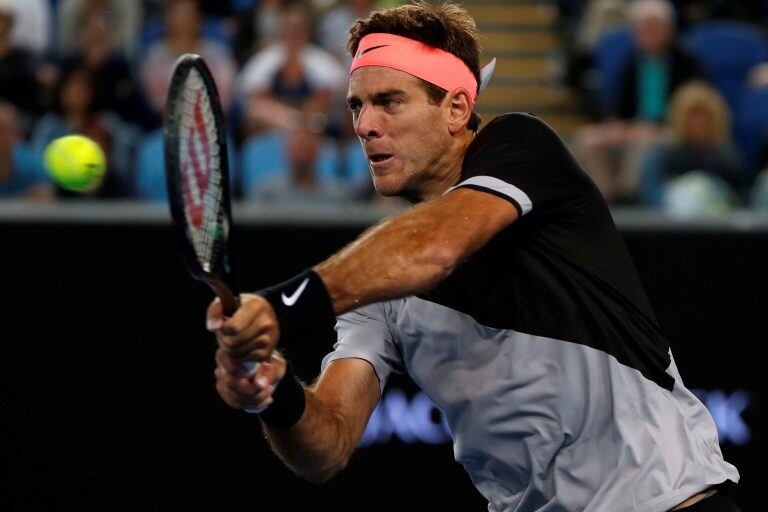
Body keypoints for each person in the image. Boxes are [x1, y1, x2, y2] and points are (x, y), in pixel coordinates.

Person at [206, 3, 740, 511]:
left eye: (389, 101)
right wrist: (271, 392)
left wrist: (279, 309)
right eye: (356, 105)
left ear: (458, 107)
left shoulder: (523, 147)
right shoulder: (378, 284)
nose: (365, 125)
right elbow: (326, 448)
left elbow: (433, 248)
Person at [575, 0, 703, 203]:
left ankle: (628, 201)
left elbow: (694, 105)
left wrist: (649, 128)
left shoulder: (687, 62)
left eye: (652, 28)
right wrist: (616, 125)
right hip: (635, 127)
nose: (645, 34)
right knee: (589, 139)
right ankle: (602, 200)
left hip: (671, 129)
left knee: (642, 145)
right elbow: (620, 106)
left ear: (668, 30)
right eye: (641, 29)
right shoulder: (631, 60)